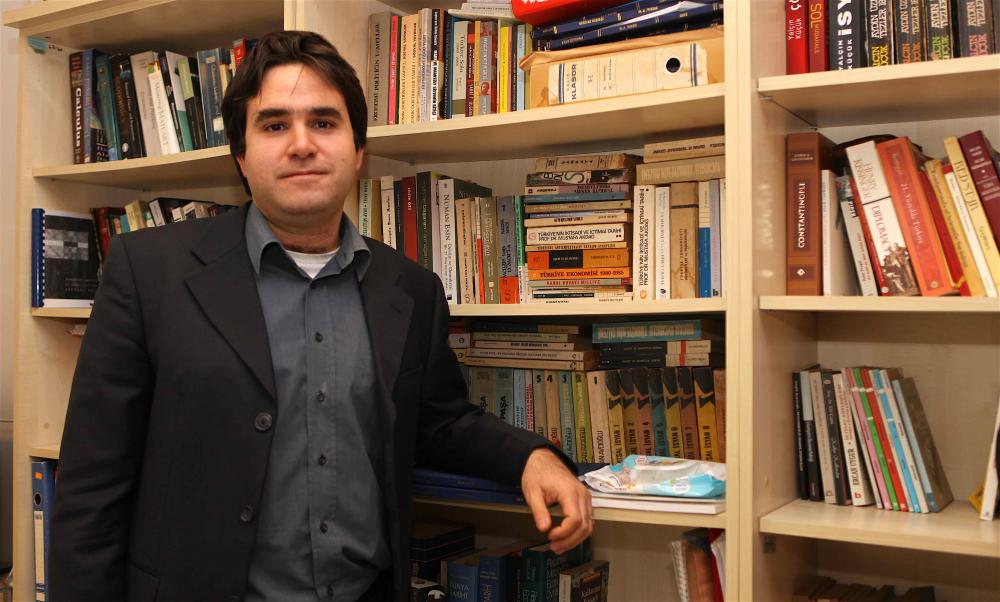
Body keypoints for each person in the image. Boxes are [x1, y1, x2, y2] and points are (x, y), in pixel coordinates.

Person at [49, 30, 592, 602]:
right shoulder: (148, 272)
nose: (302, 144)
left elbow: (439, 423)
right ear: (241, 155)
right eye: (274, 125)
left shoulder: (412, 289)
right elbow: (93, 486)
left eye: (324, 122)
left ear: (358, 151)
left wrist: (532, 456)